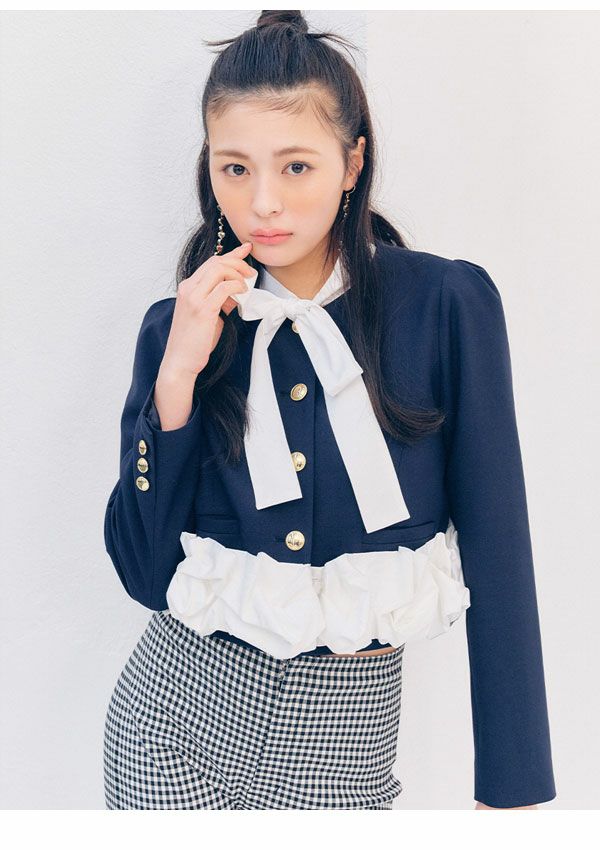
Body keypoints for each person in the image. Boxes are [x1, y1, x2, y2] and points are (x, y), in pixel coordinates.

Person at [102, 9, 557, 810]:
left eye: (297, 167)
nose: (263, 202)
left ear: (352, 164)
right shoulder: (181, 329)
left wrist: (512, 790)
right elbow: (145, 574)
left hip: (345, 749)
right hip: (169, 726)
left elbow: (499, 545)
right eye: (234, 168)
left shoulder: (445, 305)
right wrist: (177, 377)